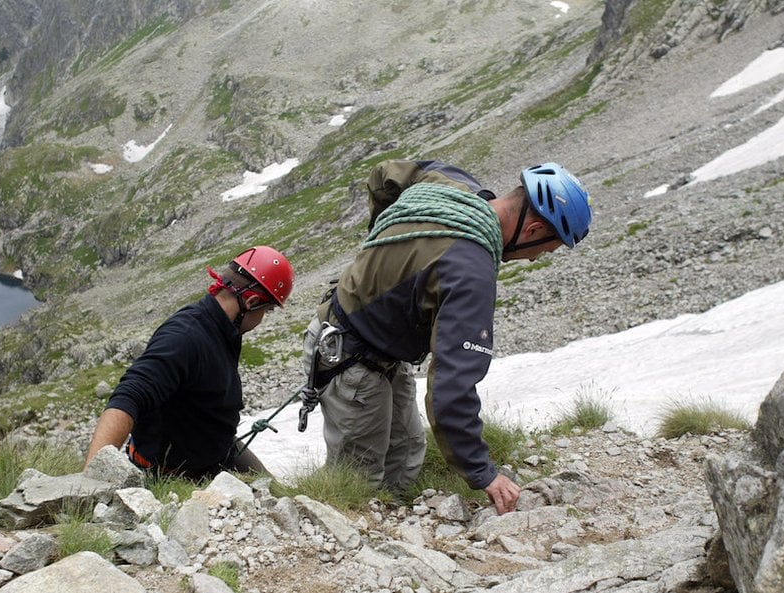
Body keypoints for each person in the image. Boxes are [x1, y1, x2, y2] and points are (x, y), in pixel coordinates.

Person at [302, 159, 591, 514]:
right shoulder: (470, 271)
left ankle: (395, 525)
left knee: (407, 454)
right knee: (358, 479)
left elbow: (384, 174)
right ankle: (345, 544)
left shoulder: (449, 183)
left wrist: (383, 238)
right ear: (531, 230)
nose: (533, 259)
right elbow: (451, 388)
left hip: (380, 350)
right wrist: (483, 474)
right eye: (544, 249)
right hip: (349, 357)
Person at [84, 245, 294, 480]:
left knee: (277, 492)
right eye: (267, 311)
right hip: (177, 472)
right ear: (252, 302)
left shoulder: (221, 327)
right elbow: (130, 395)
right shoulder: (184, 337)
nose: (263, 319)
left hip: (217, 451)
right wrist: (93, 482)